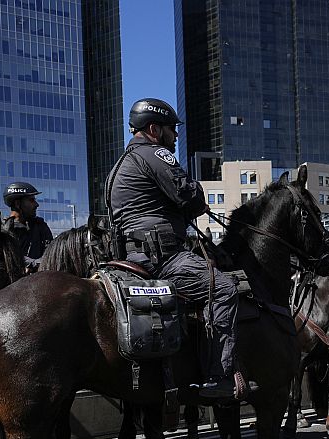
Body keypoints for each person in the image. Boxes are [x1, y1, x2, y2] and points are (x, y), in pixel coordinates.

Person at [105, 98, 245, 399]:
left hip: (132, 256)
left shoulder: (119, 165)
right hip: (164, 258)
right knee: (222, 289)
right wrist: (197, 196)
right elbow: (189, 197)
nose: (175, 137)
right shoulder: (155, 153)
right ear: (154, 129)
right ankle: (219, 376)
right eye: (171, 130)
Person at [2, 182, 52, 273]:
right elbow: (8, 256)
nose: (37, 205)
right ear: (17, 204)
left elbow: (51, 252)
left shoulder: (41, 225)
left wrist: (35, 265)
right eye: (31, 200)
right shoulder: (3, 230)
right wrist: (32, 264)